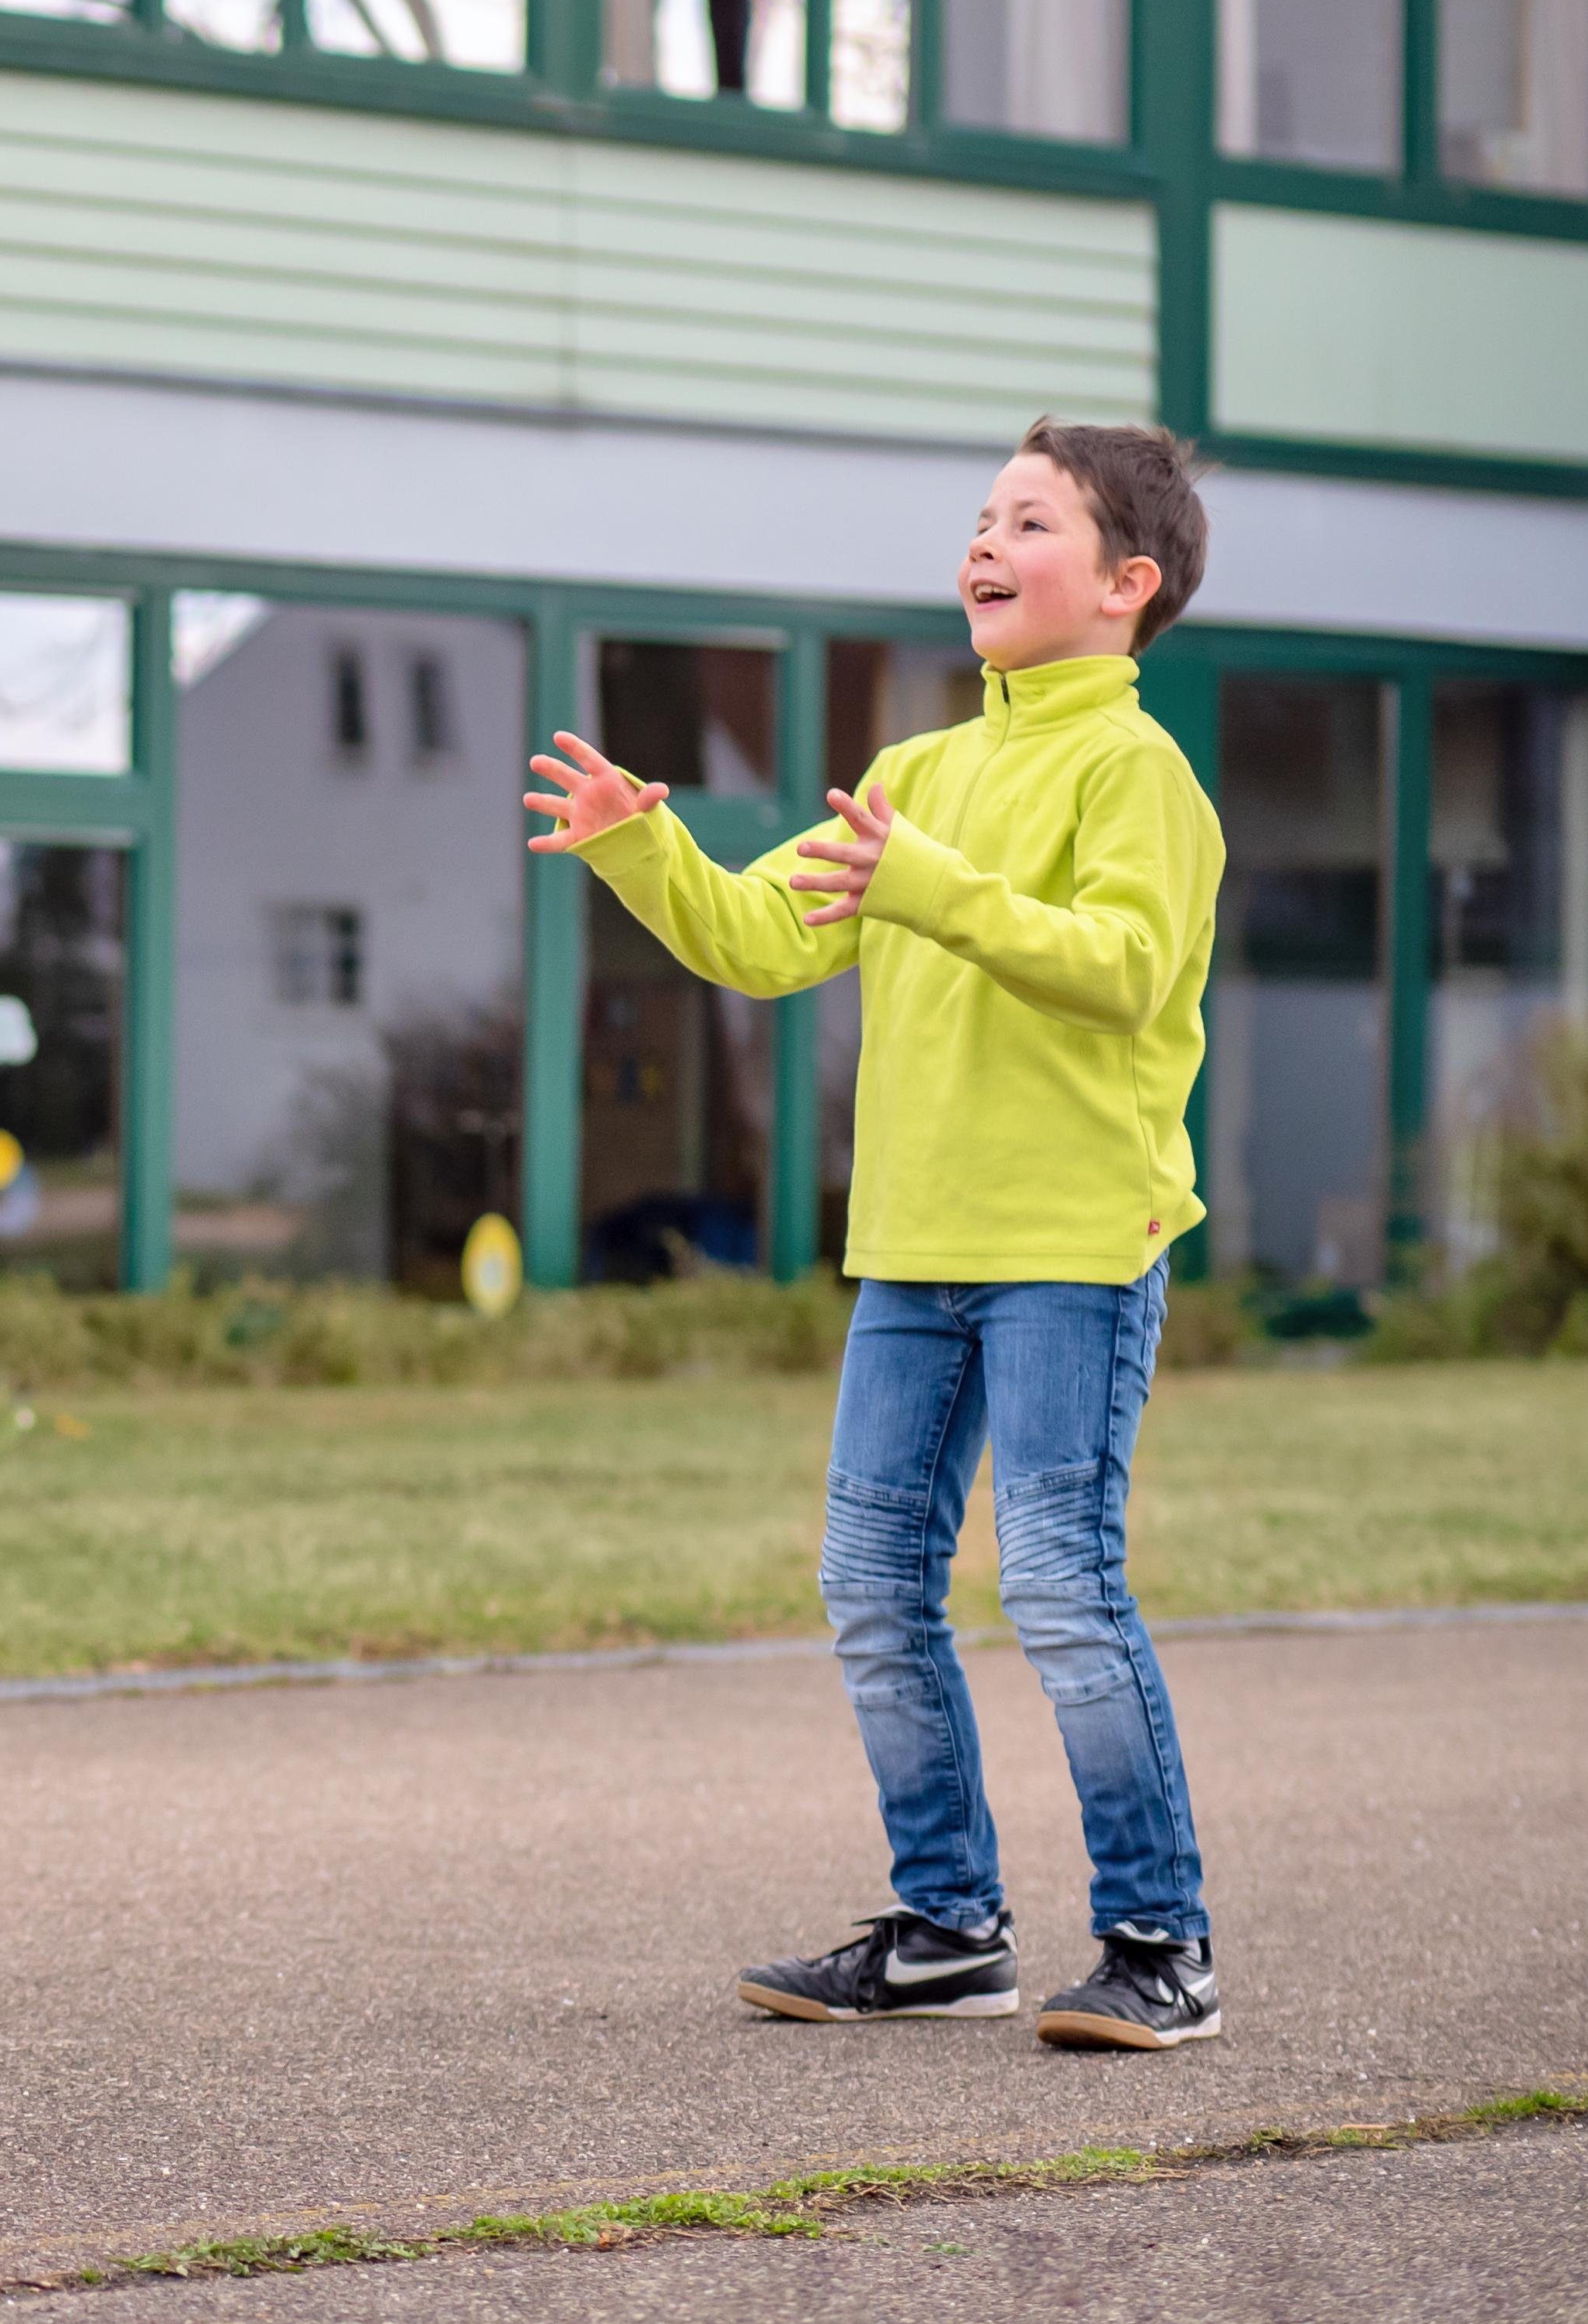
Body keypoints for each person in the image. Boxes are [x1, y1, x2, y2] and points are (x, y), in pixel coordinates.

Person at [524, 420, 1226, 2053]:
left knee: (1058, 1585)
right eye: (981, 516)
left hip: (1072, 1244)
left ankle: (1160, 1941)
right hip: (914, 1248)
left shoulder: (1139, 774)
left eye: (1029, 520)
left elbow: (1123, 965)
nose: (984, 541)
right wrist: (649, 845)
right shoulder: (920, 775)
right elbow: (768, 941)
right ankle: (949, 1926)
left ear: (1128, 584)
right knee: (870, 1583)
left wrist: (929, 890)